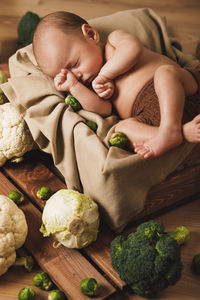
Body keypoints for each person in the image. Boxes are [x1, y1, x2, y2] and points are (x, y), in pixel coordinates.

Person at [33, 11, 200, 158]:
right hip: (150, 115)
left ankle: (170, 129)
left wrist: (106, 74)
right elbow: (104, 110)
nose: (78, 75)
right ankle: (180, 132)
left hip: (183, 88)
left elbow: (133, 49)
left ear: (91, 35)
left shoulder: (114, 42)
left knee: (165, 73)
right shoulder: (91, 86)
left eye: (75, 64)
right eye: (67, 73)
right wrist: (74, 87)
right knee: (121, 129)